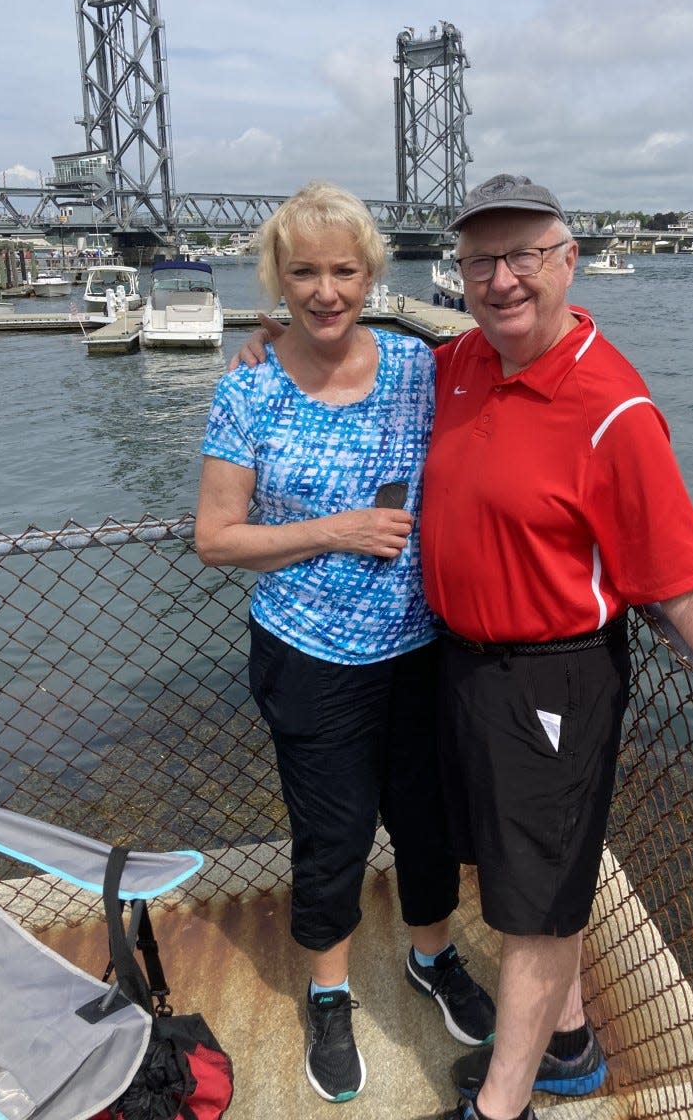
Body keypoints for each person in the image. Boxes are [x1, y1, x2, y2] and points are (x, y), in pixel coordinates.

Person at [234, 173, 693, 1120]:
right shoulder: (462, 363)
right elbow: (341, 349)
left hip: (551, 673)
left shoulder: (614, 408)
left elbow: (682, 577)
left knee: (536, 903)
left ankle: (506, 1101)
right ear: (458, 274)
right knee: (524, 865)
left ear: (567, 263)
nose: (503, 279)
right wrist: (281, 340)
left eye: (524, 257)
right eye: (481, 261)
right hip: (456, 660)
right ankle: (569, 1035)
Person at [194, 181, 494, 1105]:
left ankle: (429, 958)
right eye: (305, 272)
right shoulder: (247, 386)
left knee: (426, 820)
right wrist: (337, 529)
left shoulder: (417, 366)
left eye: (345, 270)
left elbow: (520, 345)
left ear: (373, 273)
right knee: (331, 835)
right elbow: (215, 537)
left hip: (419, 648)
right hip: (308, 655)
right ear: (276, 279)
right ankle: (329, 993)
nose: (326, 290)